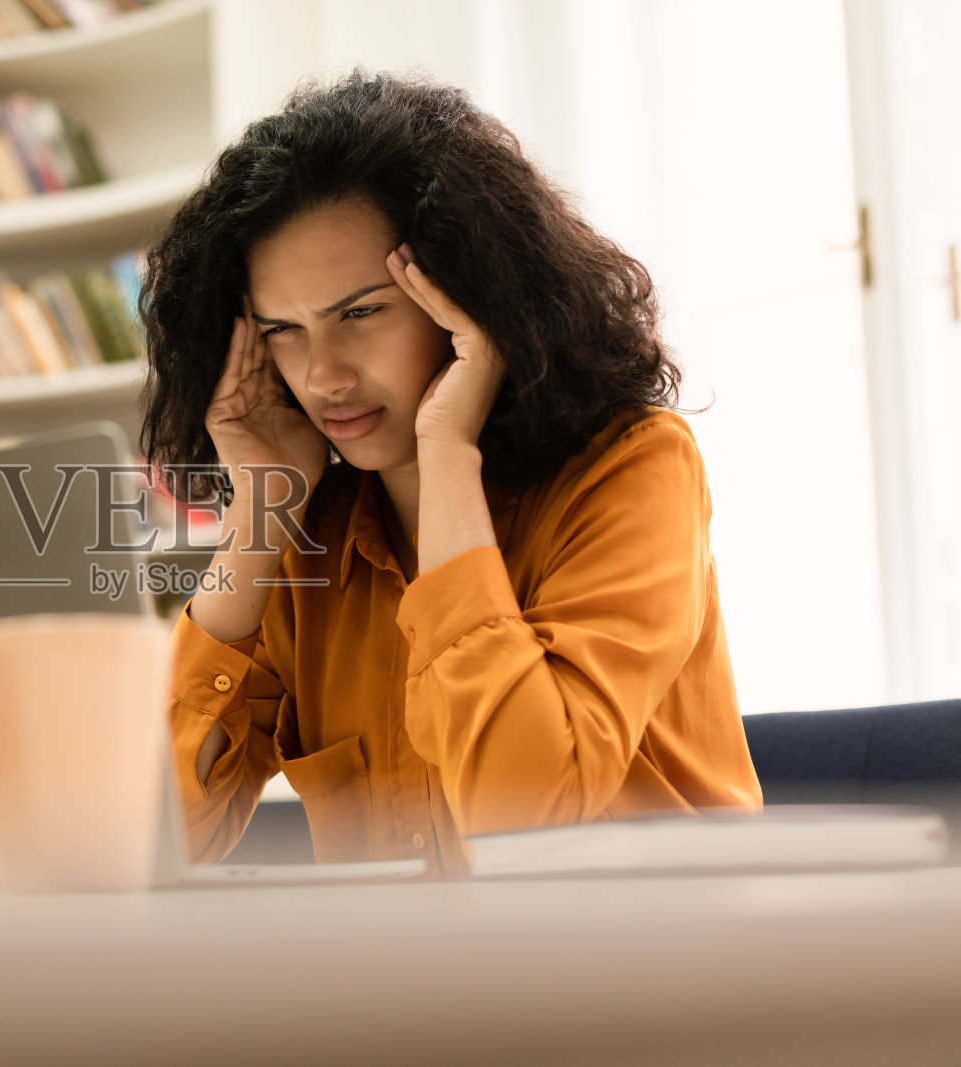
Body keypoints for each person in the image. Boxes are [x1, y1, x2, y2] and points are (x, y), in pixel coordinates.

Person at [139, 71, 762, 876]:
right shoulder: (306, 542)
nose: (323, 374)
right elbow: (149, 842)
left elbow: (530, 815)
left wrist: (447, 455)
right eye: (284, 331)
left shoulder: (635, 471)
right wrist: (259, 513)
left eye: (360, 313)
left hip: (653, 986)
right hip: (414, 996)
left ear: (469, 300)